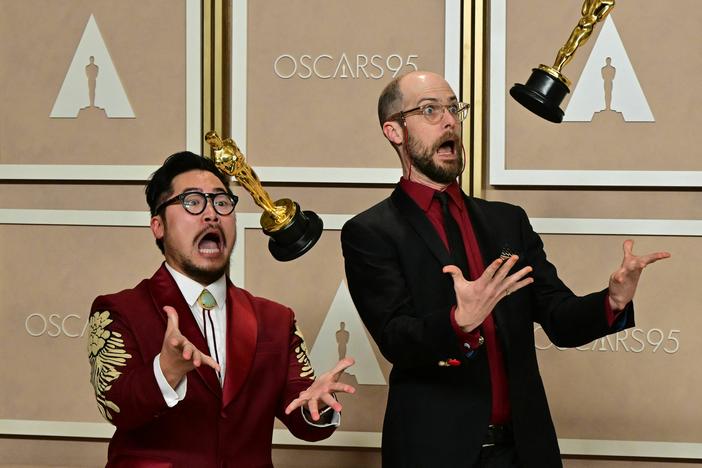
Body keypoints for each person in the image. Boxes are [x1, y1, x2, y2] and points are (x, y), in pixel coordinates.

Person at [340, 70, 669, 467]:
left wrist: (612, 302)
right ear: (394, 131)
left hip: (523, 452)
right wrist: (458, 322)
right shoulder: (370, 231)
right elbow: (396, 338)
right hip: (433, 452)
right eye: (429, 110)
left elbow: (558, 317)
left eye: (452, 108)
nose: (448, 120)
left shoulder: (507, 221)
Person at [87, 151, 355, 467]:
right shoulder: (119, 310)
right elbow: (117, 405)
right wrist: (167, 370)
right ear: (158, 225)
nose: (211, 214)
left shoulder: (276, 320)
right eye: (192, 202)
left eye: (221, 202)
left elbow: (303, 415)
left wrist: (321, 405)